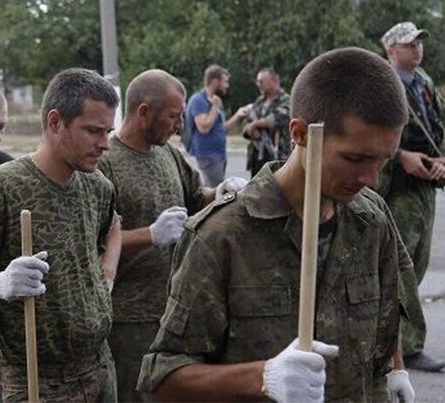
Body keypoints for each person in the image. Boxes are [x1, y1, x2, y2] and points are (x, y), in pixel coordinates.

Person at [138, 47, 411, 402]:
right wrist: (262, 377)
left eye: (382, 160)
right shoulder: (223, 237)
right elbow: (163, 377)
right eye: (355, 158)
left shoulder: (370, 218)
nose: (370, 178)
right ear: (299, 133)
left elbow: (385, 320)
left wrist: (396, 369)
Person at [0, 68, 123, 402]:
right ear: (55, 122)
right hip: (34, 378)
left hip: (98, 367)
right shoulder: (0, 188)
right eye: (93, 131)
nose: (105, 144)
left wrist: (103, 278)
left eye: (108, 131)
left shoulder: (98, 188)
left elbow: (111, 231)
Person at [98, 69, 246, 402]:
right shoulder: (105, 163)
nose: (180, 125)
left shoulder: (169, 154)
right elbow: (93, 244)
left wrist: (221, 192)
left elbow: (197, 197)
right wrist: (149, 235)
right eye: (173, 117)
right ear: (144, 113)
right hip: (130, 320)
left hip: (175, 312)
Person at [378, 21, 445, 372]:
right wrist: (400, 157)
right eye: (409, 45)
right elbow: (369, 134)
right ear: (392, 50)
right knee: (401, 267)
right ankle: (408, 347)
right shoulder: (383, 85)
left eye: (420, 43)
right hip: (397, 188)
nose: (417, 49)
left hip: (425, 186)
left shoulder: (424, 84)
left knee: (418, 262)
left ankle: (387, 334)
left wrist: (444, 158)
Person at [185, 65, 250, 186]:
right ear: (215, 81)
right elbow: (203, 128)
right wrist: (215, 106)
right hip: (208, 156)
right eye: (225, 81)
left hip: (218, 155)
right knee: (214, 194)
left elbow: (221, 129)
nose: (227, 86)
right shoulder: (199, 100)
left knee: (216, 189)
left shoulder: (216, 101)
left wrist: (238, 115)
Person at [243, 68, 291, 176]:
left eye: (261, 81)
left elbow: (279, 118)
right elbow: (247, 122)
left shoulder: (285, 100)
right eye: (257, 81)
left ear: (274, 81)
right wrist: (251, 132)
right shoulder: (260, 101)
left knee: (276, 190)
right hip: (257, 157)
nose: (258, 84)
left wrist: (256, 124)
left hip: (277, 156)